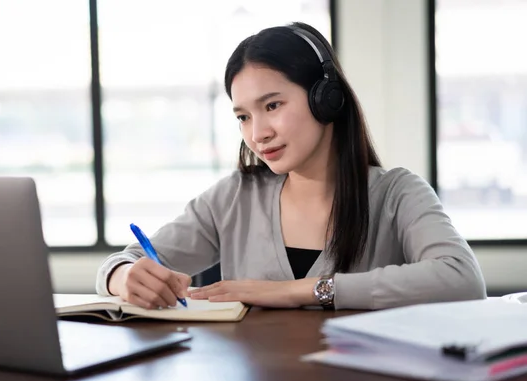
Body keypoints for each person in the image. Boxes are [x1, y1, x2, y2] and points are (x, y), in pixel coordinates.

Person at [95, 21, 486, 310]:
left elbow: (463, 279)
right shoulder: (234, 197)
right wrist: (122, 278)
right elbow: (124, 261)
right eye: (243, 117)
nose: (258, 133)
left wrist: (305, 289)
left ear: (325, 98)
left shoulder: (397, 194)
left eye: (272, 106)